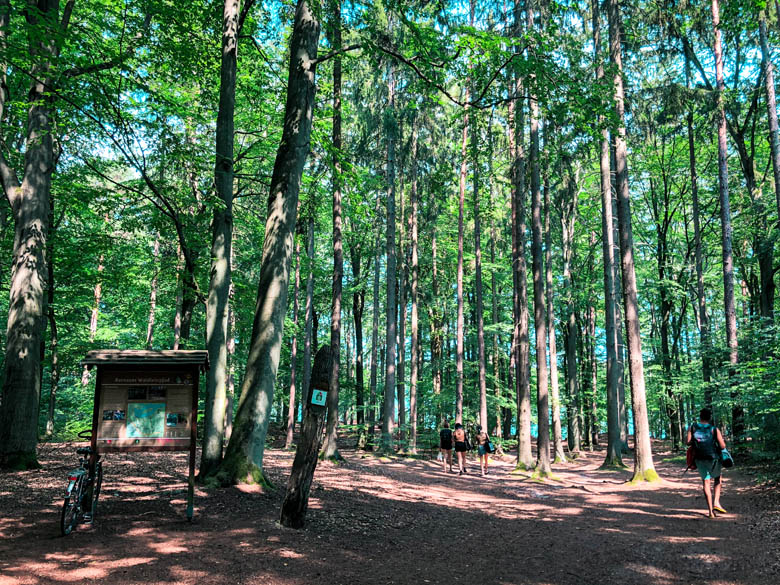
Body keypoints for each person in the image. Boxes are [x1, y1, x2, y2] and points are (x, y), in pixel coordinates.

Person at [687, 408, 728, 518]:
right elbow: (723, 446)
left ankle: (710, 512)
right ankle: (716, 502)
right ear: (710, 418)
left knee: (705, 482)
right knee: (717, 478)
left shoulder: (692, 427)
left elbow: (688, 442)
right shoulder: (714, 429)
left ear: (700, 417)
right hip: (713, 458)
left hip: (699, 458)